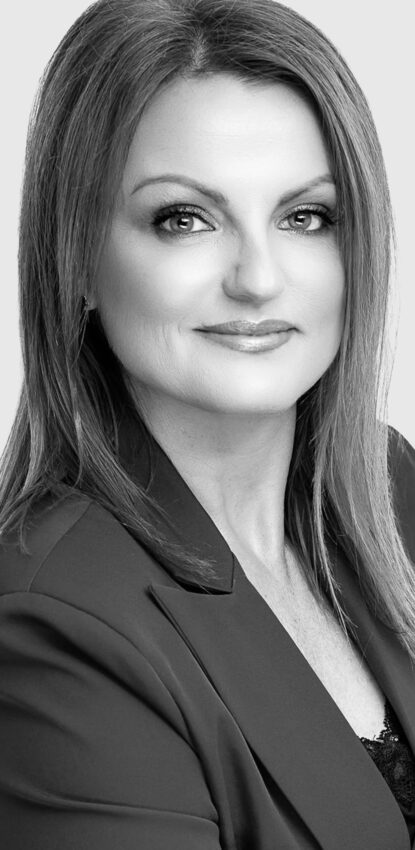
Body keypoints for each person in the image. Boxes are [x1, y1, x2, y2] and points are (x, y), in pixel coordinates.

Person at [0, 0, 414, 847]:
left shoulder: (392, 484)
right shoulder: (52, 625)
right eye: (184, 218)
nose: (258, 278)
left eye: (305, 217)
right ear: (76, 259)